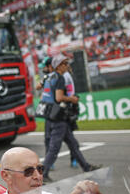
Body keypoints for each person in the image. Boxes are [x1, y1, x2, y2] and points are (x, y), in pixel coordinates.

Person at [41, 54, 101, 182]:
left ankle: (86, 167)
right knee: (54, 148)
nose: (67, 66)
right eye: (65, 64)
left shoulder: (49, 77)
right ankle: (43, 174)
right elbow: (58, 97)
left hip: (51, 116)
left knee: (73, 144)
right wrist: (72, 99)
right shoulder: (60, 78)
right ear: (59, 65)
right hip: (59, 118)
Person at [37, 56, 79, 171]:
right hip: (53, 112)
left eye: (45, 67)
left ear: (51, 66)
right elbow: (39, 88)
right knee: (62, 139)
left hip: (61, 111)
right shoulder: (50, 77)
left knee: (63, 141)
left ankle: (75, 160)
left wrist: (71, 101)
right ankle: (82, 163)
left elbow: (66, 94)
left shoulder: (63, 77)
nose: (44, 69)